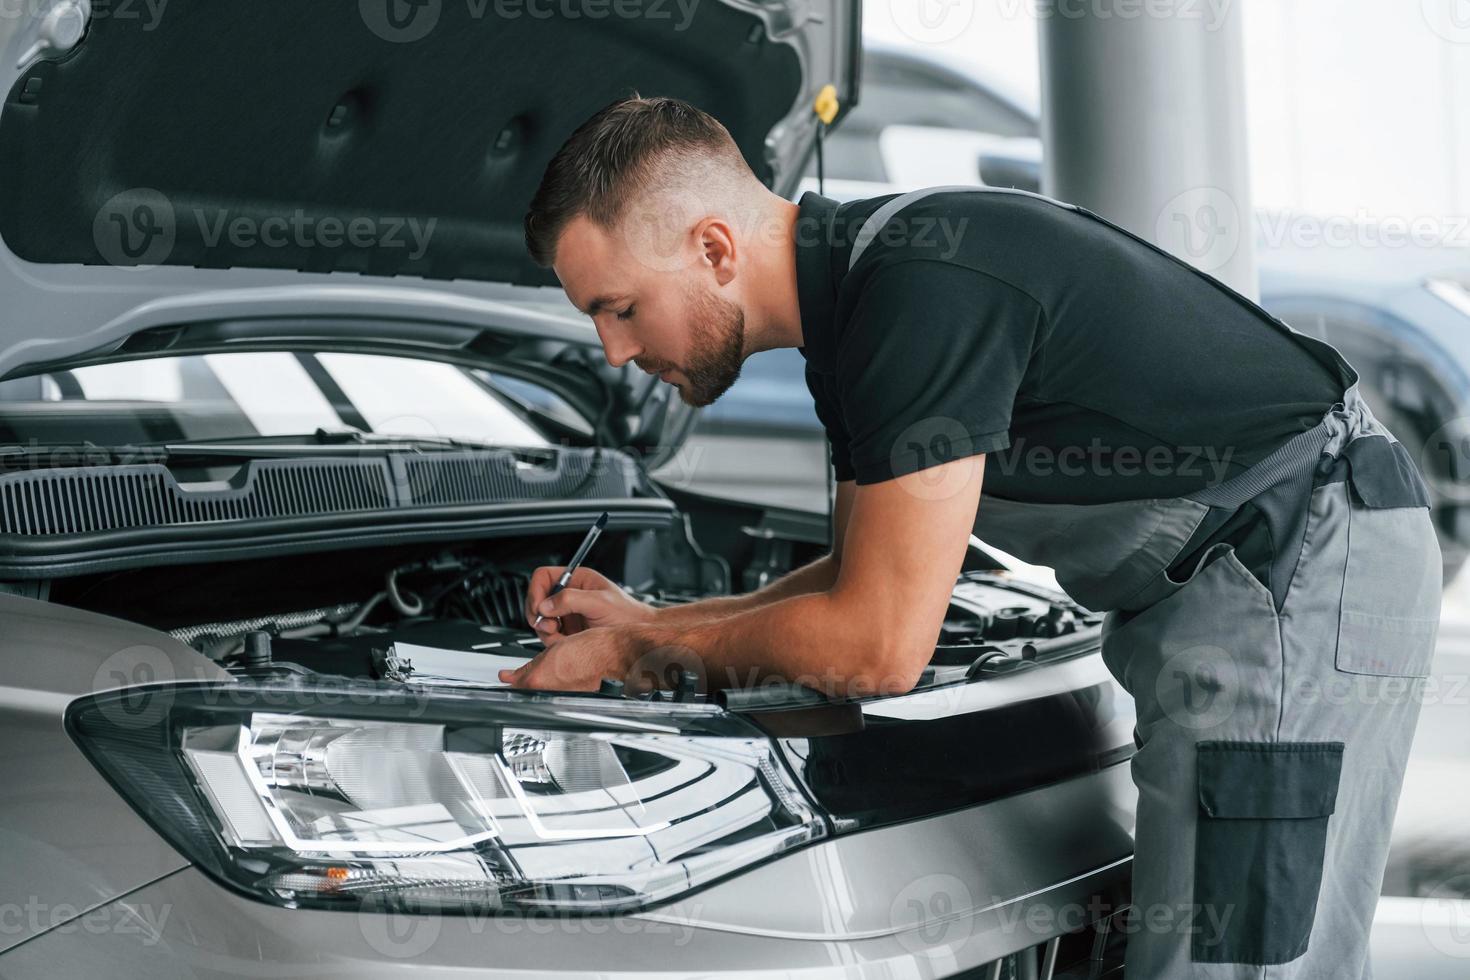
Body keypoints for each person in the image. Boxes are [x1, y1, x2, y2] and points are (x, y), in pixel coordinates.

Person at [500, 95, 1441, 978]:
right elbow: (858, 575)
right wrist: (654, 619)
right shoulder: (857, 305)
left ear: (712, 249)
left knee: (1232, 960)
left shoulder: (915, 296)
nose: (615, 350)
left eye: (617, 307)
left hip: (1296, 562)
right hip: (1237, 578)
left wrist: (643, 656)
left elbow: (875, 645)